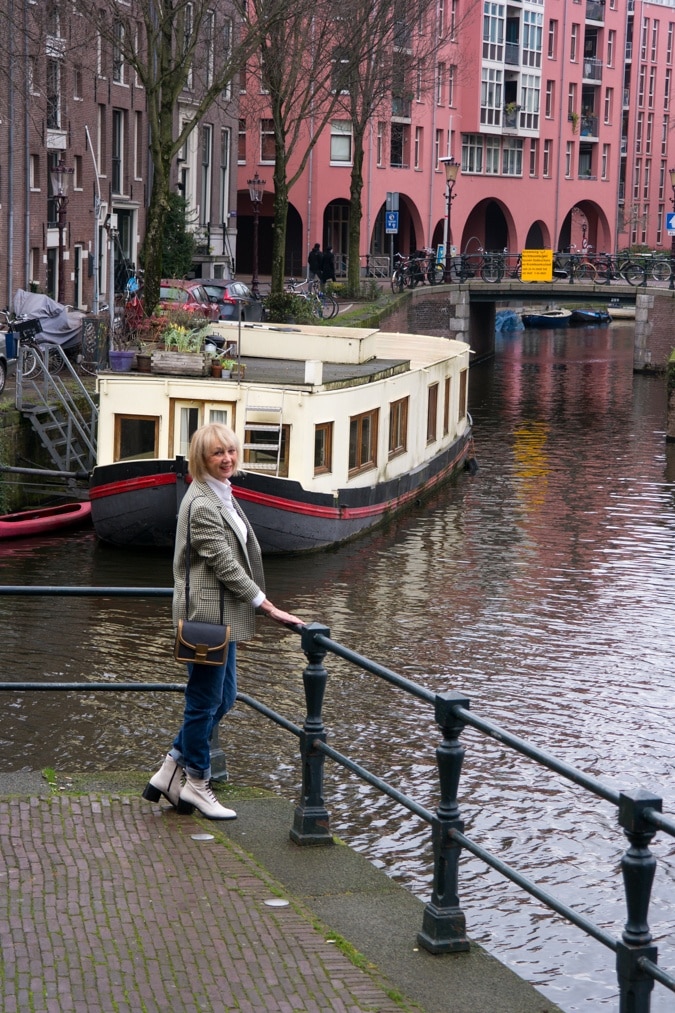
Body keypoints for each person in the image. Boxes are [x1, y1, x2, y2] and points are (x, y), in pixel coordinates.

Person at [143, 422, 304, 820]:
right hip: (207, 618)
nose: (227, 458)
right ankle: (197, 783)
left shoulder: (221, 493)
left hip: (221, 617)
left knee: (225, 696)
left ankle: (169, 771)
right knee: (203, 702)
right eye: (218, 453)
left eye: (231, 451)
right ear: (202, 457)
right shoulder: (202, 504)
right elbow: (226, 566)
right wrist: (267, 606)